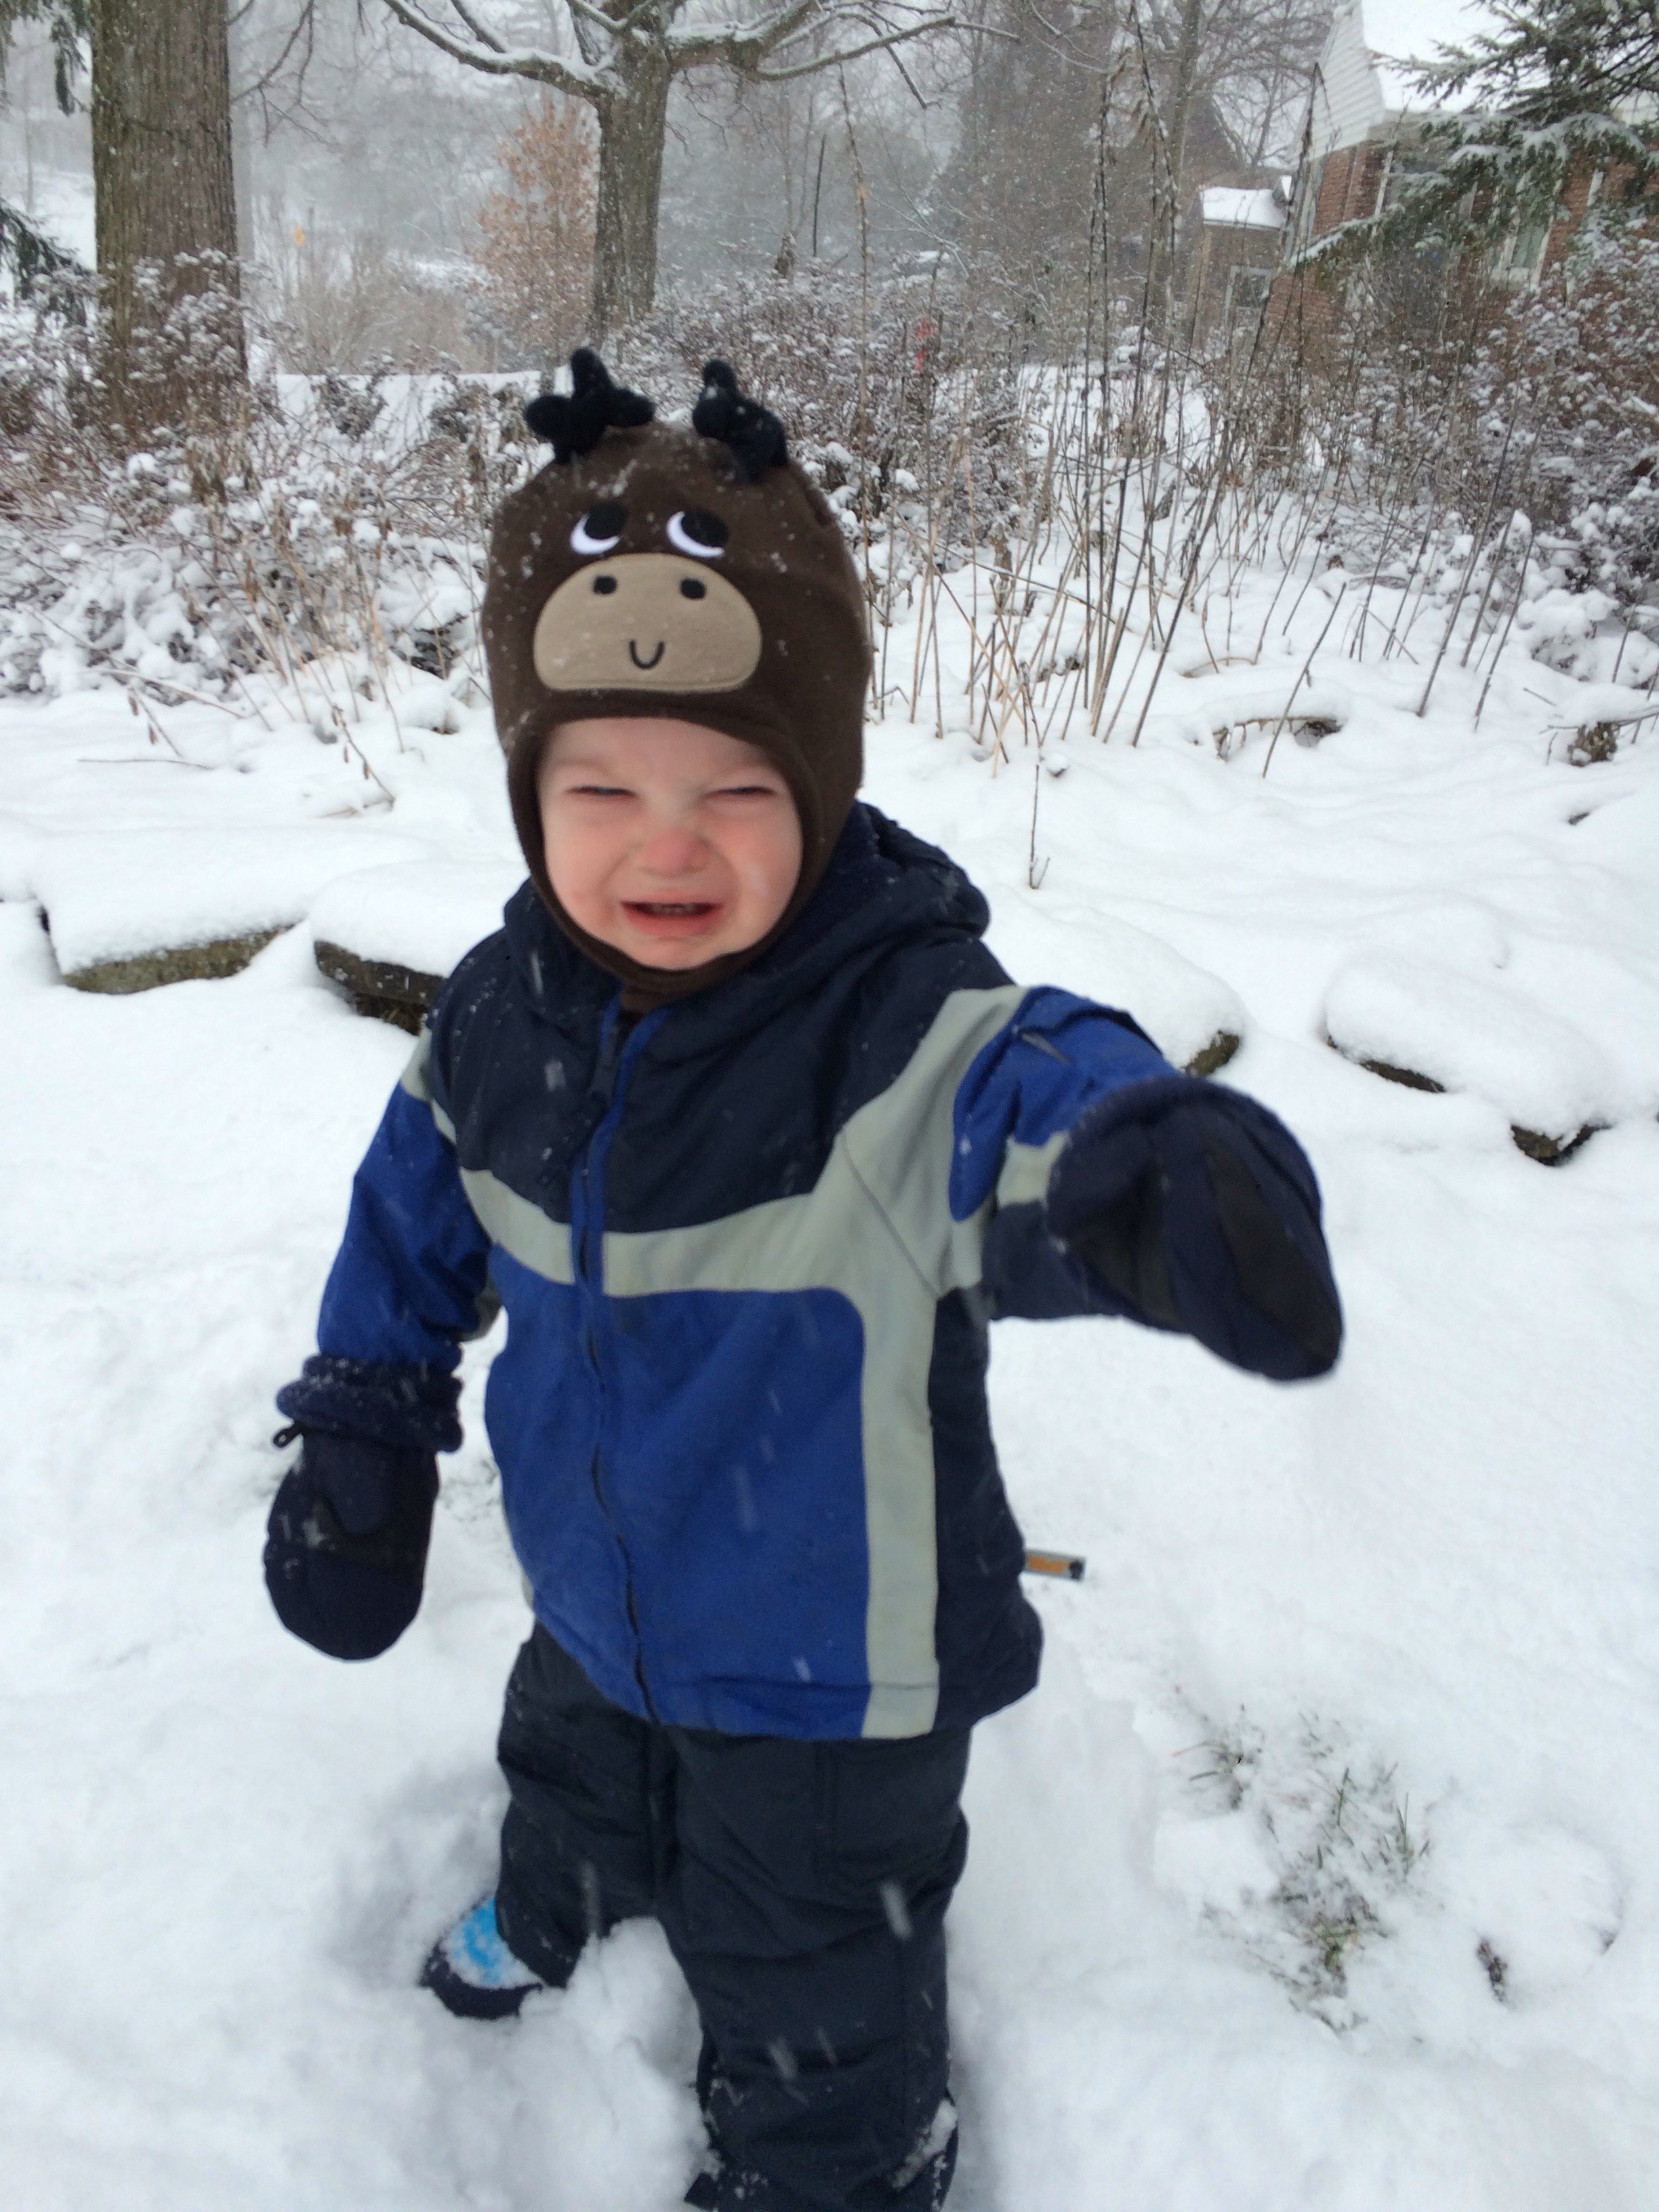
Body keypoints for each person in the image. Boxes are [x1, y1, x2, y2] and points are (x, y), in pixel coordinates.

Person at [264, 351, 1342, 2212]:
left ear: (824, 785)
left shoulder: (889, 1030)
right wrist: (365, 1411)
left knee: (812, 1961)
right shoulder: (501, 1016)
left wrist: (1141, 1160)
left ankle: (838, 2173)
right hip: (594, 1593)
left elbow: (1023, 1080)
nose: (664, 842)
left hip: (833, 1673)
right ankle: (560, 1905)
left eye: (735, 787)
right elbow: (410, 1219)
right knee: (569, 1773)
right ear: (528, 791)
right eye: (599, 784)